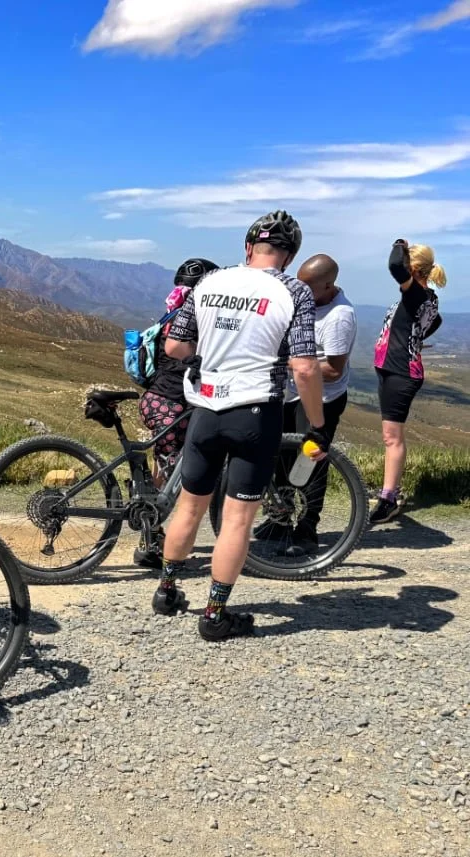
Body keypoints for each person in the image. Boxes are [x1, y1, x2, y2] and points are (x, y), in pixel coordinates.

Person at [151, 210, 327, 641]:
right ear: (289, 255)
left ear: (248, 247)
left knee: (189, 506)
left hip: (206, 409)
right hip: (255, 413)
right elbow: (304, 368)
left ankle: (167, 591)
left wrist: (207, 356)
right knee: (236, 521)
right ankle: (214, 615)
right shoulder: (294, 291)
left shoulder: (211, 282)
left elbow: (174, 344)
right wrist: (317, 426)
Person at [133, 257, 219, 570]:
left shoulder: (172, 311)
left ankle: (150, 529)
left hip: (158, 401)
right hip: (171, 404)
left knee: (163, 471)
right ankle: (152, 541)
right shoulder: (192, 318)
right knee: (174, 479)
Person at [270, 254, 356, 553]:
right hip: (291, 395)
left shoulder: (339, 316)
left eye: (308, 287)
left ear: (328, 285)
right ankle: (278, 520)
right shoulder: (307, 303)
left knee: (311, 461)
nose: (301, 291)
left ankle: (306, 532)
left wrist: (295, 366)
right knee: (281, 458)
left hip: (322, 399)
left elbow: (333, 370)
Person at [369, 240, 445, 524]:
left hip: (400, 371)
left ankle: (388, 498)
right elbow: (435, 322)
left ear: (413, 269)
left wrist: (398, 244)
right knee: (391, 436)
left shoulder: (415, 293)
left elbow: (393, 265)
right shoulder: (428, 297)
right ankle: (389, 491)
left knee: (392, 437)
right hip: (395, 367)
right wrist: (415, 338)